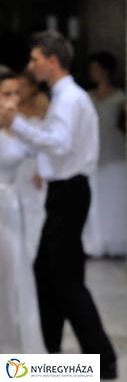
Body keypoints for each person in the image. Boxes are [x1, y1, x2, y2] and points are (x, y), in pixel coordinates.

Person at [0, 32, 117, 379]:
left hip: (69, 192)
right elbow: (55, 147)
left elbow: (61, 144)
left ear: (52, 62)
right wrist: (41, 164)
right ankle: (48, 356)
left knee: (65, 280)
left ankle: (103, 359)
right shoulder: (66, 96)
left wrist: (14, 123)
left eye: (35, 58)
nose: (31, 65)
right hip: (65, 190)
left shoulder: (68, 98)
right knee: (46, 276)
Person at [0, 65, 46, 354]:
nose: (14, 100)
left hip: (10, 208)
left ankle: (12, 353)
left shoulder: (16, 128)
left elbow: (46, 148)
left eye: (17, 93)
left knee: (14, 278)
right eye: (6, 94)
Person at [83, 52, 127, 257]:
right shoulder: (87, 96)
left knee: (115, 195)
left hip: (115, 148)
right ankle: (97, 241)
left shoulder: (120, 97)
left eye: (97, 69)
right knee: (97, 196)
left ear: (106, 71)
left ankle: (115, 239)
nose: (93, 73)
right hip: (95, 150)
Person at [14, 69, 48, 260]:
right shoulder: (11, 109)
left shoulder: (42, 108)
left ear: (33, 87)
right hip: (16, 165)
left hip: (36, 166)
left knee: (36, 209)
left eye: (23, 87)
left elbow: (48, 141)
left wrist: (42, 168)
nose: (20, 91)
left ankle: (34, 254)